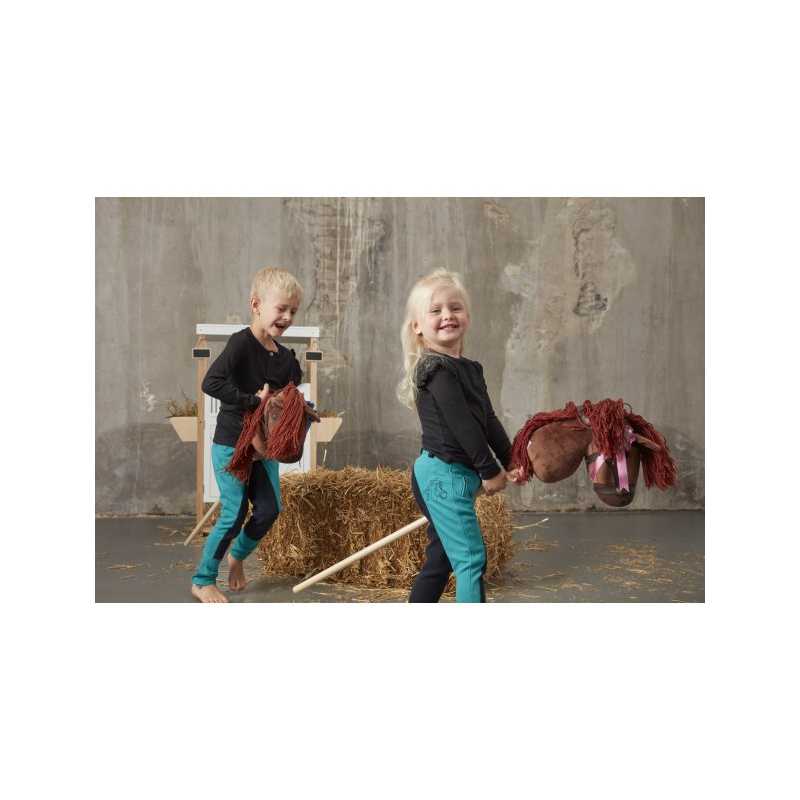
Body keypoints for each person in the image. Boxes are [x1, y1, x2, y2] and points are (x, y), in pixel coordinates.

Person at [397, 269, 521, 603]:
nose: (447, 315)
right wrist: (489, 469)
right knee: (470, 559)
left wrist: (512, 459)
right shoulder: (435, 369)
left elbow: (487, 419)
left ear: (467, 316)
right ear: (417, 326)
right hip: (443, 475)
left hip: (460, 474)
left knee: (441, 558)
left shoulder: (470, 369)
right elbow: (462, 425)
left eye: (455, 307)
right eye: (435, 310)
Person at [191, 267, 304, 603]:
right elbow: (211, 382)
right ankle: (202, 580)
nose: (287, 317)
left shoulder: (285, 357)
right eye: (281, 308)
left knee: (270, 509)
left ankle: (237, 555)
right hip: (233, 444)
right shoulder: (241, 343)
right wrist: (253, 401)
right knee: (234, 512)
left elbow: (290, 390)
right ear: (256, 305)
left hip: (264, 449)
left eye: (293, 311)